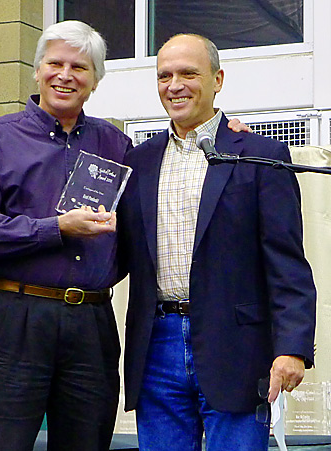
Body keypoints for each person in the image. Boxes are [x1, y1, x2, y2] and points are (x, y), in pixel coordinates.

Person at [119, 33, 316, 451]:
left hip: (237, 348)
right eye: (164, 76)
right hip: (156, 348)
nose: (175, 85)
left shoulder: (259, 155)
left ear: (218, 80)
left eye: (188, 74)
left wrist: (293, 348)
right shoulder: (138, 162)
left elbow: (287, 264)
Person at [0, 20, 133, 451]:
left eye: (80, 68)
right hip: (15, 317)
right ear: (37, 71)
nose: (65, 75)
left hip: (91, 323)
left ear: (95, 81)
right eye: (55, 64)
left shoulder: (117, 145)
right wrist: (55, 229)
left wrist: (226, 127)